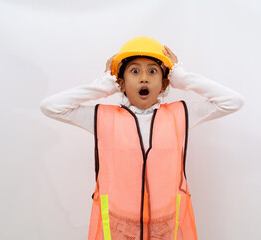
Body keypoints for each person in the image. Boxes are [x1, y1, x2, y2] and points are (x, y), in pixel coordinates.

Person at [40, 36, 244, 240]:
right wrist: (103, 86)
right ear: (121, 83)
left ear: (164, 84)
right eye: (135, 71)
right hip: (119, 225)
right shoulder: (102, 117)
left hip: (166, 225)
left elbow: (233, 101)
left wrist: (184, 78)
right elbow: (50, 107)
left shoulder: (181, 115)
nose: (144, 78)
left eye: (153, 71)